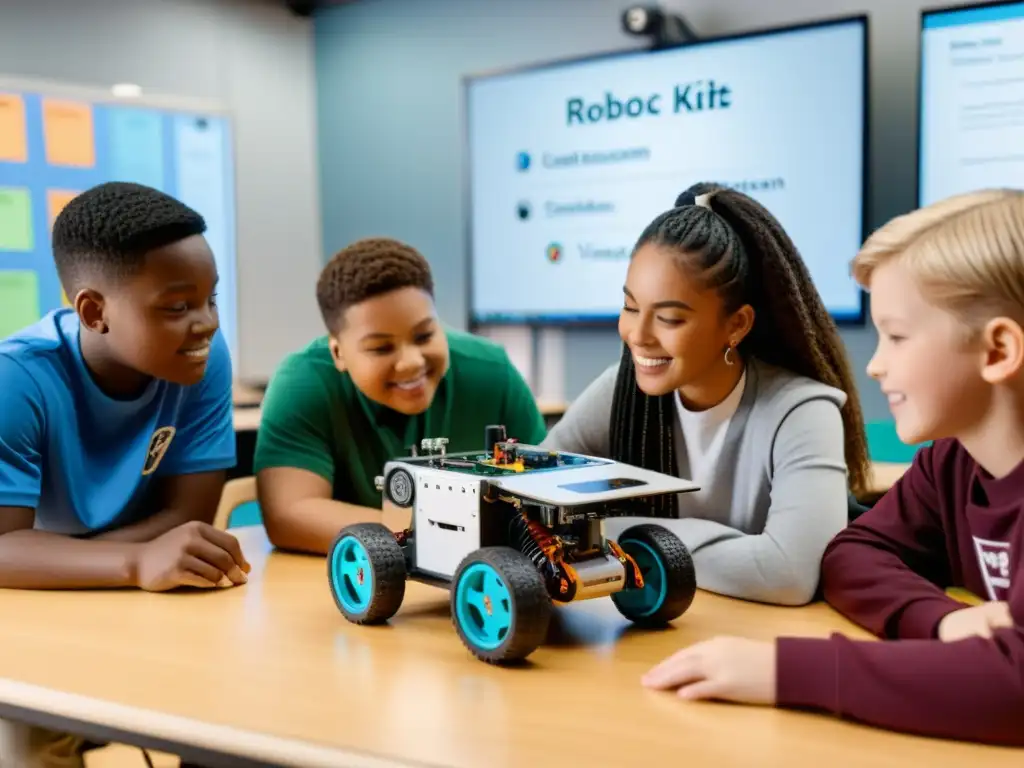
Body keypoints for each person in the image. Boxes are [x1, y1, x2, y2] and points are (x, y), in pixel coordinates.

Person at [640, 189, 1024, 746]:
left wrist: (786, 672)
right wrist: (942, 620)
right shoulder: (953, 466)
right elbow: (852, 553)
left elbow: (1015, 687)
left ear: (997, 352)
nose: (874, 365)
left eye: (896, 336)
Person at [0, 181, 249, 765]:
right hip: (29, 615)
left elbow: (187, 520)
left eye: (212, 300)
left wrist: (75, 558)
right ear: (94, 311)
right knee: (27, 734)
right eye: (177, 306)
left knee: (232, 703)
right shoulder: (17, 383)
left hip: (130, 600)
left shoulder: (201, 362)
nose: (206, 324)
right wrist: (136, 560)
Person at [542, 182, 870, 606]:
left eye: (670, 319)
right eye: (630, 307)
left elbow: (789, 573)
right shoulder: (620, 390)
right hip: (659, 635)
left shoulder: (803, 411)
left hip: (761, 647)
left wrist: (613, 532)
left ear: (737, 325)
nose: (637, 336)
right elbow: (532, 507)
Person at [254, 237, 547, 554]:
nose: (411, 362)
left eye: (425, 335)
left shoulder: (492, 371)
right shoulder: (302, 383)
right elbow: (290, 514)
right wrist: (437, 534)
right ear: (337, 351)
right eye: (381, 348)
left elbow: (544, 489)